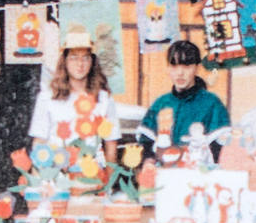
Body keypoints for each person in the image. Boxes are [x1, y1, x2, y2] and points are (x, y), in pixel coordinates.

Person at [28, 30, 120, 166]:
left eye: (86, 58)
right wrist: (39, 182)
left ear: (92, 61)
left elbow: (111, 145)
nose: (80, 64)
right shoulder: (48, 97)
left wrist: (108, 185)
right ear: (64, 60)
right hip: (56, 173)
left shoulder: (103, 98)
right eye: (74, 57)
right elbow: (39, 143)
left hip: (92, 174)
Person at [137, 39, 230, 166]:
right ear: (168, 68)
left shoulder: (212, 104)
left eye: (186, 66)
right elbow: (146, 146)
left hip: (199, 178)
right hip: (164, 177)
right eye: (174, 66)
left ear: (197, 68)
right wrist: (148, 163)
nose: (180, 73)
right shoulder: (160, 104)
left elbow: (221, 151)